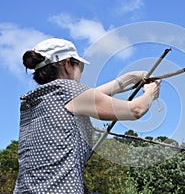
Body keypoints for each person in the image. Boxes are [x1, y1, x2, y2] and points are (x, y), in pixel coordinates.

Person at [14, 38, 161, 193]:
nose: (81, 72)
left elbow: (92, 95)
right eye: (80, 66)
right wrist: (150, 92)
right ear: (67, 64)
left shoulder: (36, 100)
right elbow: (135, 110)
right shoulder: (68, 90)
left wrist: (130, 78)